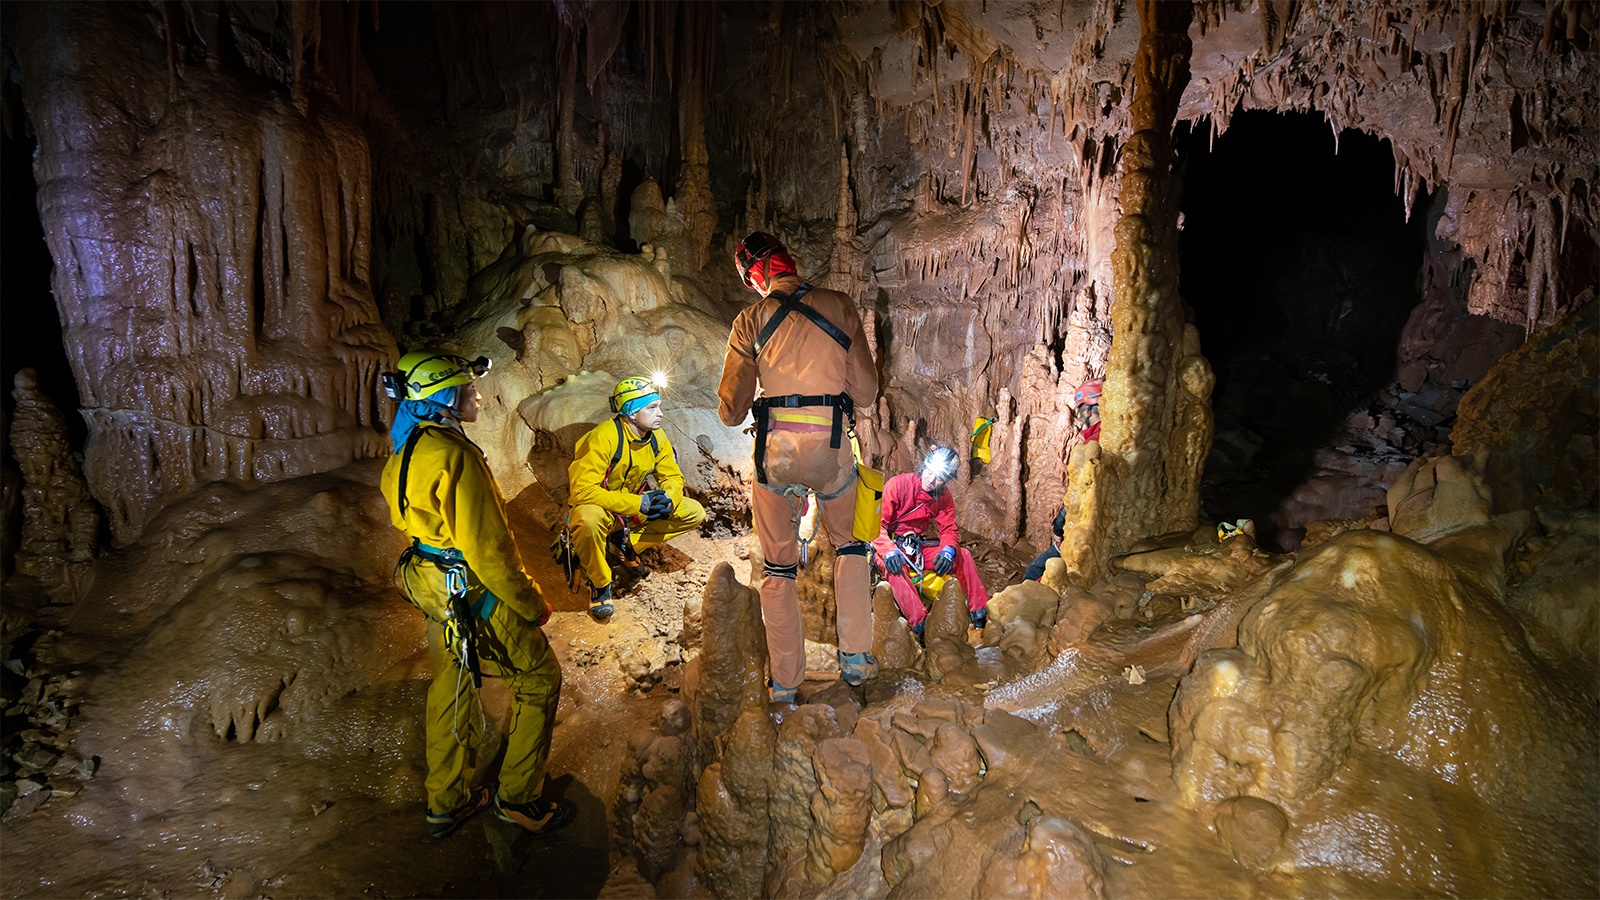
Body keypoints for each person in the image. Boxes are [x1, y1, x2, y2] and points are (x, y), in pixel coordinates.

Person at [380, 349, 575, 838]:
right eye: (468, 389)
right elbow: (491, 550)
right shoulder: (456, 456)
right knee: (539, 678)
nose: (478, 394)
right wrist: (532, 603)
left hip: (433, 584)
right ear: (444, 398)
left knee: (451, 685)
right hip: (470, 587)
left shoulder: (408, 449)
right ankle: (517, 799)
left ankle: (446, 802)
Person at [718, 231, 880, 702]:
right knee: (850, 547)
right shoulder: (840, 305)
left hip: (777, 454)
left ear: (756, 276)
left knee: (779, 568)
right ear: (789, 263)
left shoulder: (750, 320)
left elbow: (731, 410)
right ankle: (854, 662)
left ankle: (785, 686)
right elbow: (867, 393)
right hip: (830, 451)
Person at [564, 375, 706, 620]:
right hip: (602, 507)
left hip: (633, 507)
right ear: (631, 413)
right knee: (586, 520)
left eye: (659, 406)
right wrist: (638, 504)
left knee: (693, 512)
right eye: (652, 408)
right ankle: (599, 582)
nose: (660, 413)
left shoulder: (655, 436)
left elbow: (672, 475)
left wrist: (670, 497)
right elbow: (581, 491)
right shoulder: (605, 436)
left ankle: (623, 544)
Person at [872, 446, 991, 637]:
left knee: (963, 555)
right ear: (924, 466)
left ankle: (980, 614)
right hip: (889, 544)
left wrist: (948, 551)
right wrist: (888, 551)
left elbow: (949, 529)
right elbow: (877, 526)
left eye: (938, 479)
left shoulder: (943, 497)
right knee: (895, 569)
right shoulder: (898, 485)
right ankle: (921, 624)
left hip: (916, 548)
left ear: (945, 481)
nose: (931, 480)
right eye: (929, 473)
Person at [1024, 377, 1102, 581]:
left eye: (1081, 409)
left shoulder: (1095, 443)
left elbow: (1077, 493)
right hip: (1093, 532)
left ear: (1090, 408)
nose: (1080, 415)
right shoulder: (1105, 437)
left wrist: (1059, 526)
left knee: (1035, 574)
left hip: (1082, 534)